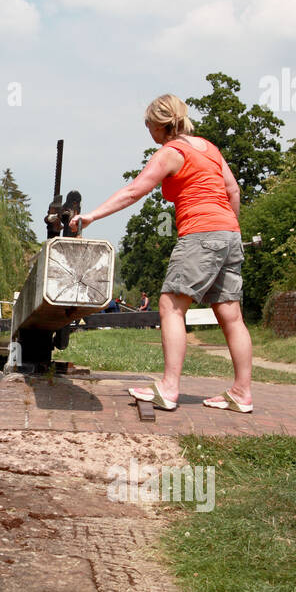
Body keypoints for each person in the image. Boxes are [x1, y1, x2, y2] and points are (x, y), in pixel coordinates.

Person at [70, 94, 253, 413]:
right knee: (231, 315)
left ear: (159, 125)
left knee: (170, 305)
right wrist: (229, 229)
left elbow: (133, 191)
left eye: (148, 125)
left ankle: (169, 389)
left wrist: (91, 217)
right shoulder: (208, 148)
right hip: (230, 231)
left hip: (201, 233)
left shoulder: (171, 152)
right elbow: (233, 190)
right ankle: (242, 393)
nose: (148, 131)